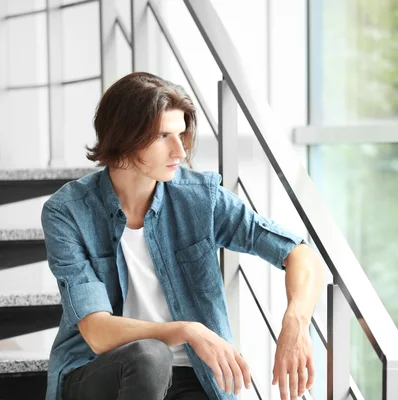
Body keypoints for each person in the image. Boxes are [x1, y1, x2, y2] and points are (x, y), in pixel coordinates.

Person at [41, 72, 324, 400]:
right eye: (163, 136)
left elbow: (297, 252)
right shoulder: (69, 211)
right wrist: (188, 331)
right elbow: (98, 332)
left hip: (191, 376)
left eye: (181, 134)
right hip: (98, 372)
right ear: (124, 136)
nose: (179, 150)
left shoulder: (199, 199)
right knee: (150, 355)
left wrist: (296, 321)